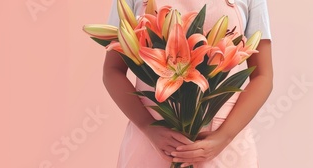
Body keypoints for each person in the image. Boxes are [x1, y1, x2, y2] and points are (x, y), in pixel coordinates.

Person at [102, 0, 273, 167]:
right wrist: (147, 127)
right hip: (151, 144)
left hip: (225, 147)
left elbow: (263, 76)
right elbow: (112, 70)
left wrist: (224, 136)